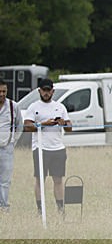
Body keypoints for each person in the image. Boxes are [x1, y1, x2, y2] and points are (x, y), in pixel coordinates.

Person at [23, 78, 72, 216]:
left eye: (48, 90)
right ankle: (40, 209)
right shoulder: (34, 107)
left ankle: (60, 209)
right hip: (40, 148)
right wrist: (43, 124)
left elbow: (70, 128)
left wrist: (63, 123)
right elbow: (26, 127)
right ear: (39, 91)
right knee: (40, 180)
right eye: (44, 90)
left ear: (53, 91)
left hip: (58, 148)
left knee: (58, 180)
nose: (46, 93)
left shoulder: (60, 107)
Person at [0, 81, 24, 212]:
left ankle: (3, 207)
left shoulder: (12, 106)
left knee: (5, 180)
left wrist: (13, 141)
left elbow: (20, 125)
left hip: (6, 148)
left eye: (4, 91)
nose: (1, 94)